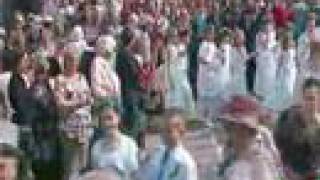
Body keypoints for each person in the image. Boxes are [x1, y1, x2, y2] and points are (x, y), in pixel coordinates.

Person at [217, 95, 282, 180]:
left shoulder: (259, 163)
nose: (227, 130)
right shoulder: (232, 154)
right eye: (227, 126)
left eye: (230, 126)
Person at [54, 47, 92, 179]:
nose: (73, 63)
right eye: (70, 60)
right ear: (65, 62)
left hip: (84, 126)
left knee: (83, 164)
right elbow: (60, 104)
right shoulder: (60, 80)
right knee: (69, 166)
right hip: (68, 128)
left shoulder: (82, 77)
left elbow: (89, 98)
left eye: (75, 60)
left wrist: (80, 101)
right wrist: (78, 103)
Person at [275, 78, 320, 180]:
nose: (309, 103)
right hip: (285, 173)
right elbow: (277, 144)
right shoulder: (287, 116)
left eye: (312, 99)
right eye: (306, 98)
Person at [136, 108, 198, 180]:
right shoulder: (158, 153)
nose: (164, 134)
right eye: (162, 130)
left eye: (169, 131)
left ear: (181, 132)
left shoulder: (185, 163)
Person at [90, 101, 138, 180]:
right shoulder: (96, 147)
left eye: (110, 118)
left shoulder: (130, 145)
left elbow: (134, 175)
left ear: (118, 118)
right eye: (103, 120)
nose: (106, 123)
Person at [197, 26, 224, 126]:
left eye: (212, 33)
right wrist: (208, 63)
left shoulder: (213, 45)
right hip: (204, 73)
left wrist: (220, 57)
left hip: (212, 74)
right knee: (203, 96)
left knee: (212, 96)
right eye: (209, 33)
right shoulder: (203, 45)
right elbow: (200, 59)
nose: (211, 35)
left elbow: (217, 56)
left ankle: (210, 117)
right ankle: (202, 117)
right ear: (205, 34)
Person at [91, 35, 120, 107]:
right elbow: (96, 86)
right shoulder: (97, 62)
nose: (113, 52)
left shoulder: (108, 62)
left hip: (113, 100)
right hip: (105, 103)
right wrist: (106, 97)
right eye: (112, 49)